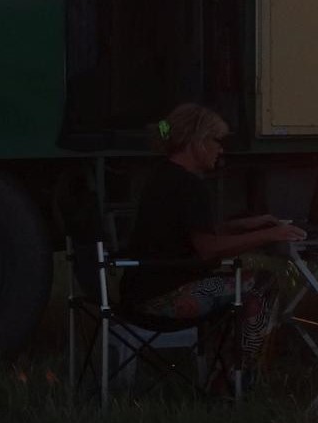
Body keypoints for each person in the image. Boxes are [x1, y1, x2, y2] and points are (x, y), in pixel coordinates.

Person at [122, 102, 303, 370]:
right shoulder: (190, 186)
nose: (221, 149)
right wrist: (270, 234)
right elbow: (208, 248)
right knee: (263, 283)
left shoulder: (163, 176)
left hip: (139, 291)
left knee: (241, 282)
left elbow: (186, 233)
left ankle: (226, 362)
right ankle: (241, 371)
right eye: (217, 140)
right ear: (197, 142)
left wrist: (245, 226)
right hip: (163, 299)